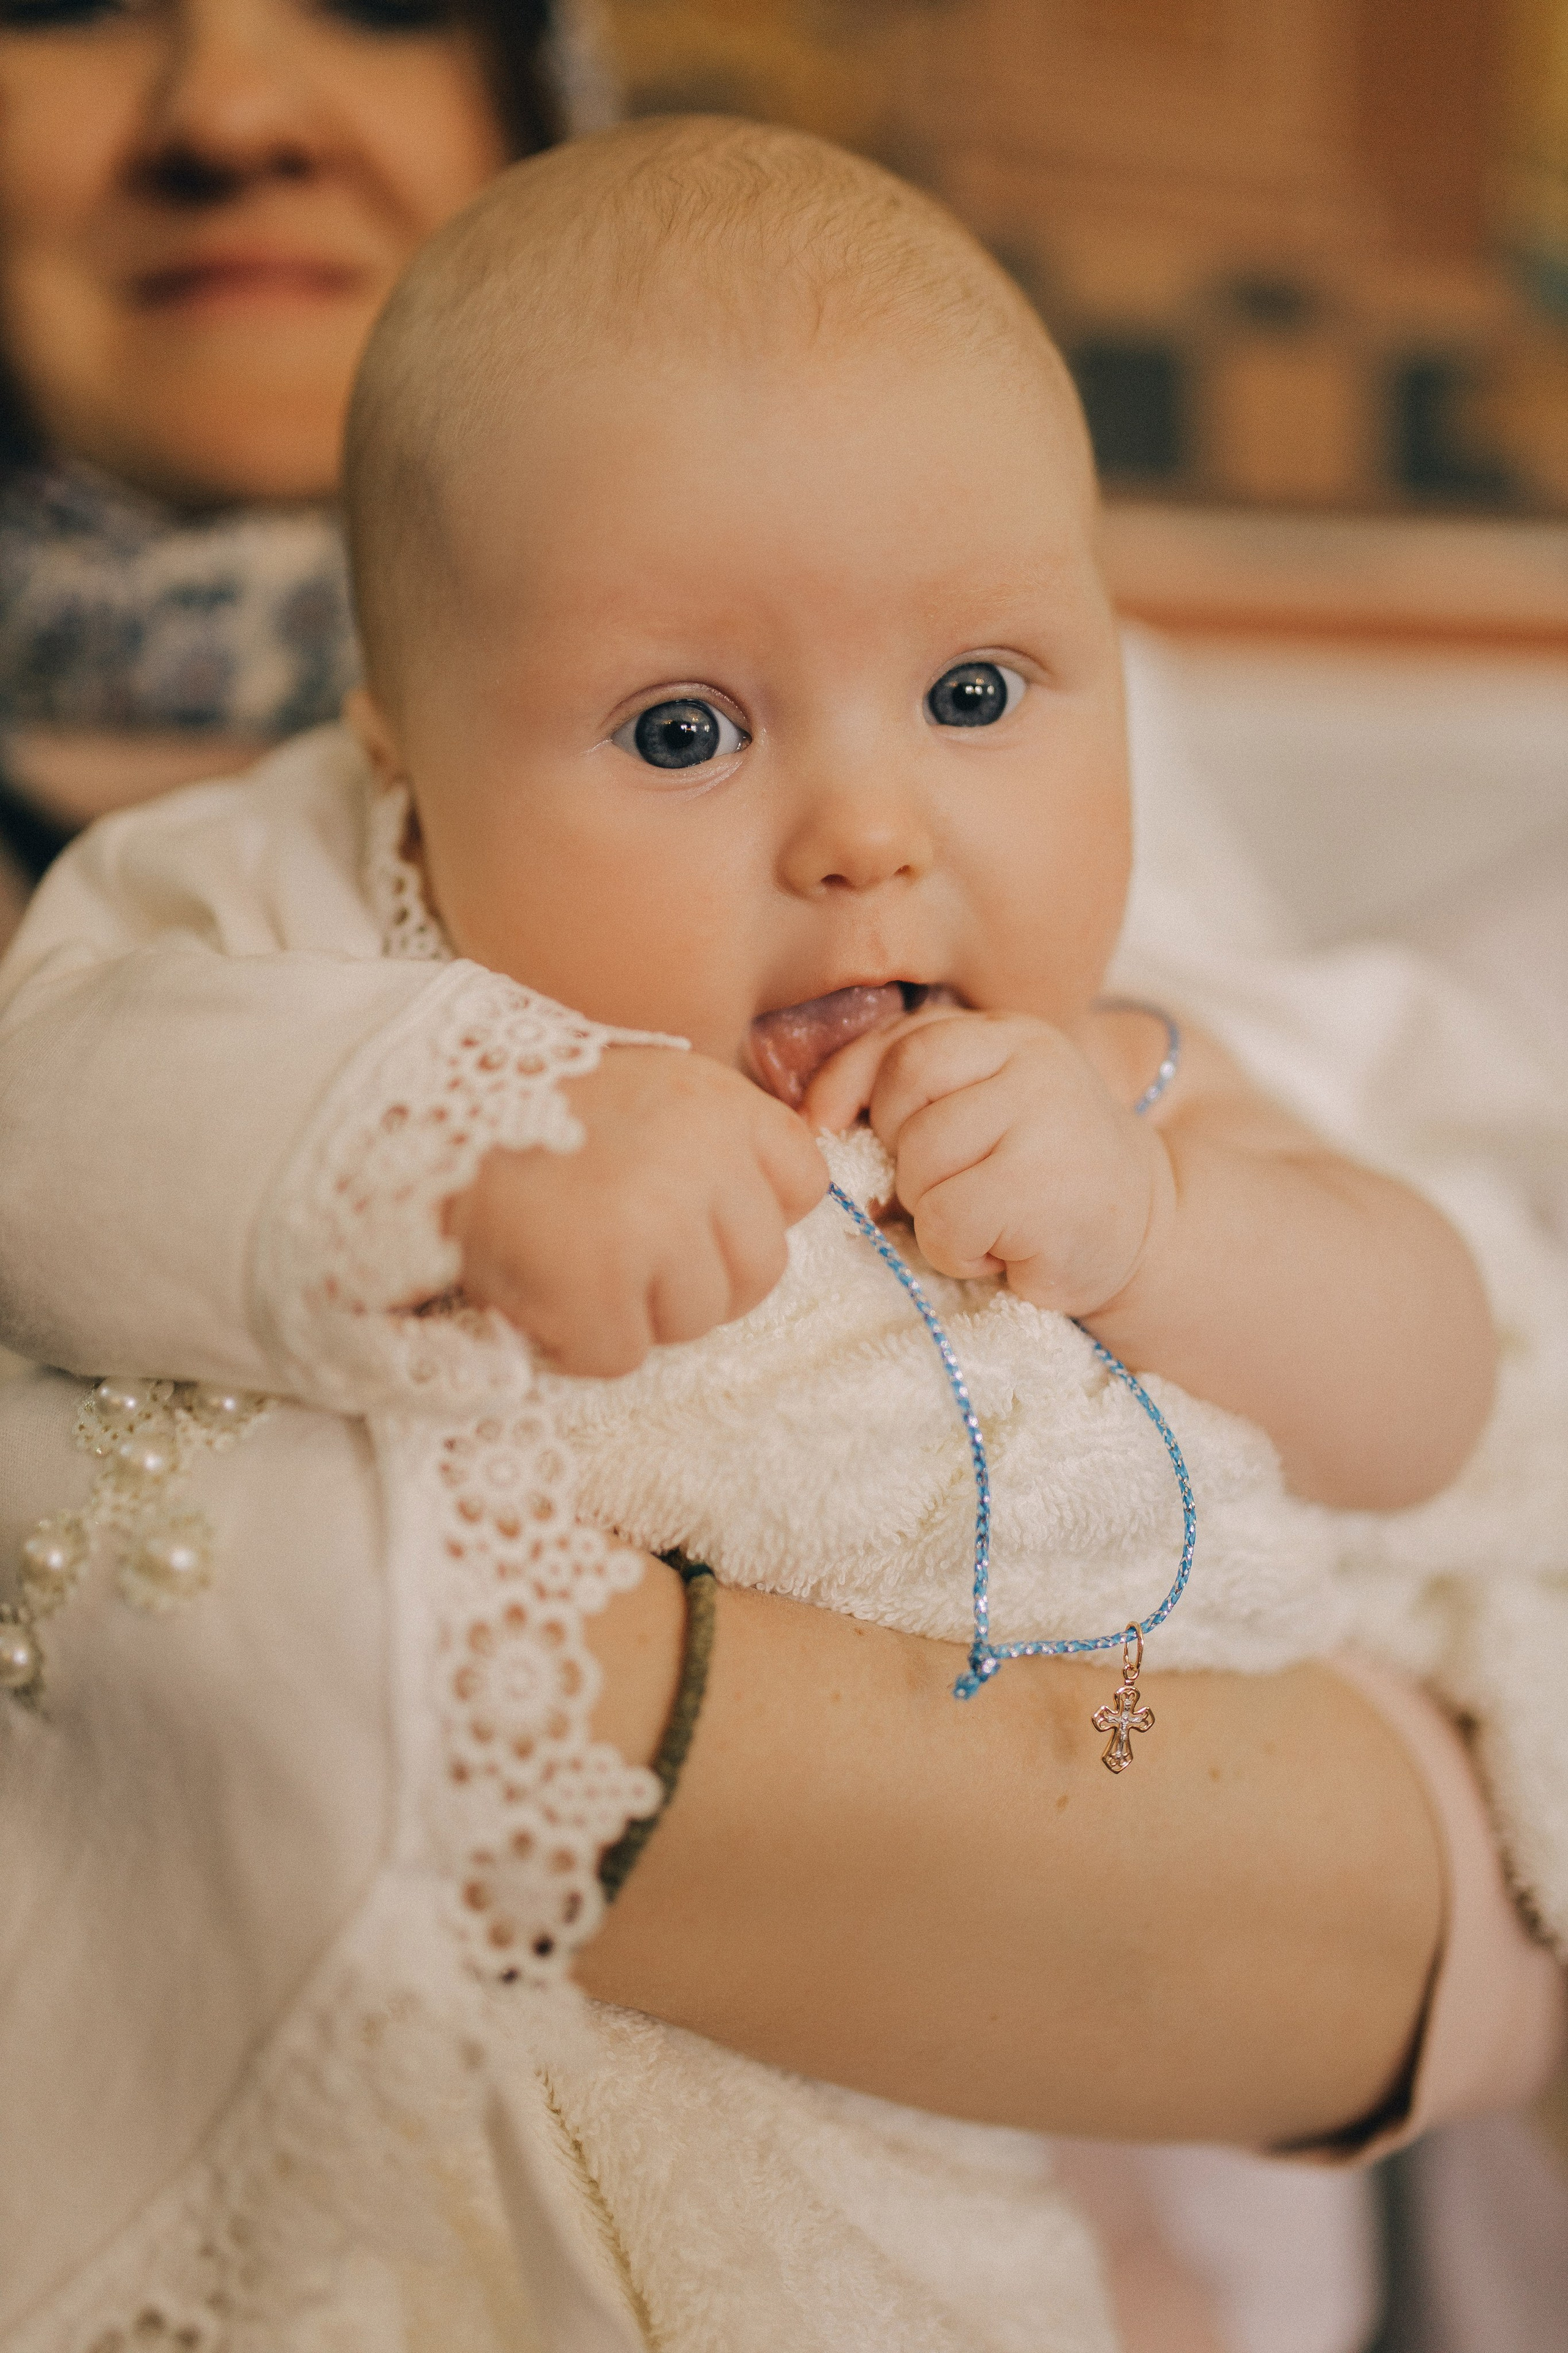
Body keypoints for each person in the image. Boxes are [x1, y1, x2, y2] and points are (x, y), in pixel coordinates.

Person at [0, 119, 1561, 2351]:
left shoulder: (1125, 1071)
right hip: (500, 2134)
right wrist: (446, 1148)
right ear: (402, 758)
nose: (865, 832)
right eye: (681, 729)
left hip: (1025, 2085)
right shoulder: (306, 928)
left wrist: (1162, 1232)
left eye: (979, 695)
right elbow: (54, 1126)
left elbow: (1439, 1397)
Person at [0, 0, 590, 944]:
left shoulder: (872, 818)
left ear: (537, 111)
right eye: (75, 4)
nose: (229, 122)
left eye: (376, 6)